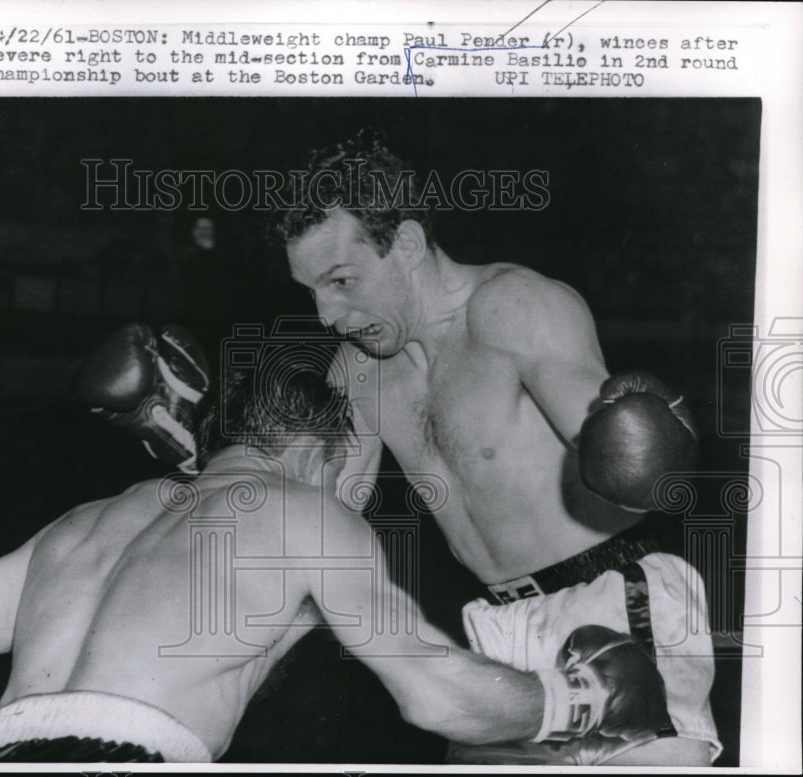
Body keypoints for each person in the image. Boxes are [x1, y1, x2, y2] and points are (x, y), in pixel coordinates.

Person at [0, 366, 672, 763]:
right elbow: (434, 694)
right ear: (322, 455)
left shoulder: (87, 520)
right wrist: (577, 697)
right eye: (360, 472)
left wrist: (11, 746)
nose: (361, 493)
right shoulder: (306, 512)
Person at [273, 130, 720, 766]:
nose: (325, 312)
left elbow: (630, 459)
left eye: (341, 280)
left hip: (610, 603)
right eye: (311, 290)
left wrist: (648, 444)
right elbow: (326, 513)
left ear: (405, 244)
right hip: (494, 627)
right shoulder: (357, 369)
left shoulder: (513, 307)